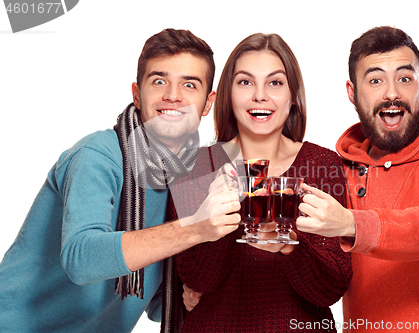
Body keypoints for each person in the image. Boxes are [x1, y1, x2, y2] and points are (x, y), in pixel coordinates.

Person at [0, 28, 240, 333]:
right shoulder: (97, 155)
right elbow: (82, 258)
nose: (173, 95)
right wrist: (195, 228)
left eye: (189, 84)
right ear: (137, 95)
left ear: (208, 103)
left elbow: (154, 303)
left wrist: (191, 297)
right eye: (159, 81)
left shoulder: (191, 180)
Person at [296, 26, 419, 332]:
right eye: (375, 80)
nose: (392, 93)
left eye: (405, 78)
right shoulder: (338, 171)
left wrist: (352, 224)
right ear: (352, 92)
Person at [166, 33, 352, 332]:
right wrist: (228, 212)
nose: (260, 95)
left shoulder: (323, 165)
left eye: (275, 83)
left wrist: (290, 246)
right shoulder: (196, 166)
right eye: (245, 82)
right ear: (227, 94)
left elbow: (331, 288)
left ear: (293, 96)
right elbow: (197, 279)